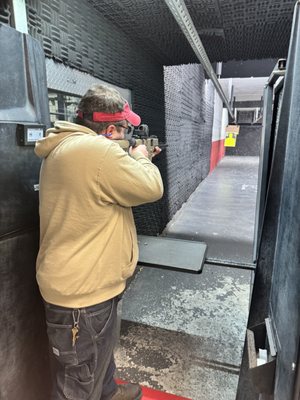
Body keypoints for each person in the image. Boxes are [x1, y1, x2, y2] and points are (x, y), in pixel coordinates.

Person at [34, 84, 164, 400]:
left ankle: (107, 392)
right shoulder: (98, 152)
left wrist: (130, 158)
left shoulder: (70, 147)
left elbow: (105, 188)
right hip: (84, 295)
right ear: (109, 130)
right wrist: (142, 159)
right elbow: (151, 187)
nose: (127, 136)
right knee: (78, 383)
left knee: (97, 359)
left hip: (83, 285)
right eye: (124, 129)